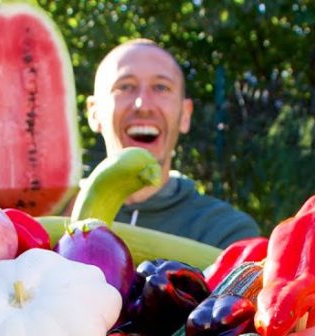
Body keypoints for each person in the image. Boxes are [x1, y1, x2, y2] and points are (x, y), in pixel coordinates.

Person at [84, 39, 261, 249]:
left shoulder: (227, 232)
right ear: (94, 113)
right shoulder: (50, 212)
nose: (143, 105)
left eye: (161, 87)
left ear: (185, 115)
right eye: (125, 86)